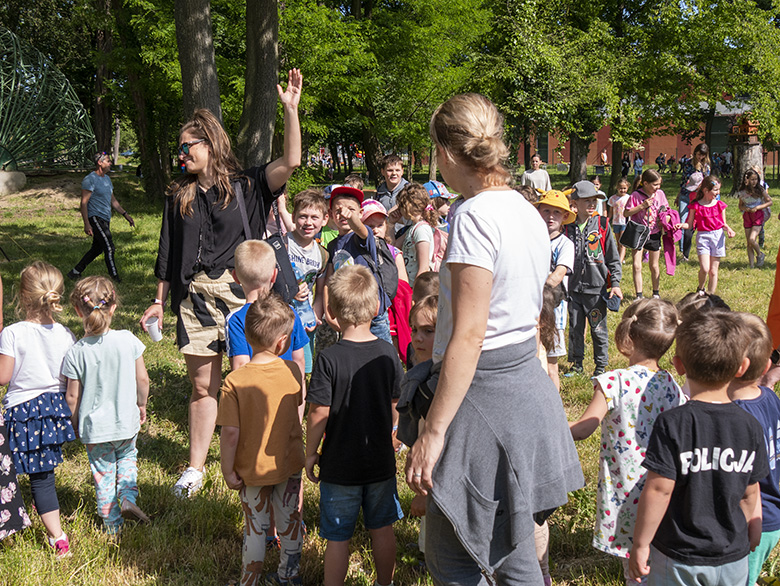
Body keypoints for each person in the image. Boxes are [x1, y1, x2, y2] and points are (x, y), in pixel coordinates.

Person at [404, 93, 583, 584]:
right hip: (524, 387)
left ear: (446, 151)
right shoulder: (523, 208)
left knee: (458, 555)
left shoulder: (474, 215)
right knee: (512, 547)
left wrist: (433, 433)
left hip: (482, 396)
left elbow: (470, 333)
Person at [139, 69, 302, 497]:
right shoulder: (179, 195)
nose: (181, 154)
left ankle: (249, 456)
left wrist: (290, 110)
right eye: (179, 148)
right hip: (194, 299)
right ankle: (196, 467)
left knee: (245, 382)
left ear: (209, 144)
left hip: (239, 296)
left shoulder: (249, 185)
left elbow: (292, 162)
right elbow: (167, 250)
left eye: (186, 146)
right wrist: (159, 301)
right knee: (201, 386)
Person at [628, 310, 767, 584]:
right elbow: (751, 492)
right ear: (742, 367)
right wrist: (755, 527)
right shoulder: (750, 426)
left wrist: (641, 543)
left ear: (679, 365)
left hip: (678, 557)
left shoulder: (671, 423)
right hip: (733, 556)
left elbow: (658, 489)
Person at [569, 299, 684, 586]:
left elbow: (583, 429)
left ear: (629, 336)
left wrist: (550, 423)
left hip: (625, 490)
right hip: (663, 487)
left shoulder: (613, 382)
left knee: (633, 568)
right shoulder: (671, 383)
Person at [306, 265, 404, 586]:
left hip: (339, 466)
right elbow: (397, 404)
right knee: (382, 527)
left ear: (331, 310)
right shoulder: (389, 354)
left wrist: (310, 453)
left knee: (338, 537)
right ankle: (384, 583)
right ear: (377, 307)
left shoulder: (328, 358)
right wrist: (395, 436)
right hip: (380, 462)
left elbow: (319, 412)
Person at [217, 295, 305, 586]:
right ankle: (289, 576)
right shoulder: (293, 371)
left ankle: (249, 580)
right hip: (289, 462)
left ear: (246, 334)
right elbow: (298, 404)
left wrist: (227, 470)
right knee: (290, 520)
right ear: (283, 343)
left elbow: (230, 433)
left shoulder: (234, 382)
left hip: (251, 469)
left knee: (255, 526)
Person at [64, 276, 150, 534]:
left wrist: (73, 422)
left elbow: (71, 397)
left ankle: (113, 526)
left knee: (103, 476)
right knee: (127, 460)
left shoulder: (76, 351)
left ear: (78, 310)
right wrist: (141, 404)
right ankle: (127, 499)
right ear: (114, 307)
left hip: (95, 430)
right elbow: (143, 379)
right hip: (126, 422)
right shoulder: (128, 340)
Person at [0, 261, 76, 555]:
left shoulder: (13, 333)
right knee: (42, 476)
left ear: (21, 297)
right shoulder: (66, 334)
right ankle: (51, 528)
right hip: (53, 412)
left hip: (23, 413)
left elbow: (3, 377)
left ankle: (47, 531)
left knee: (24, 475)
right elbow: (69, 379)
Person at [727, 313, 780, 586]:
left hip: (750, 522)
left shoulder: (734, 417)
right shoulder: (771, 397)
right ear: (767, 364)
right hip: (772, 517)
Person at [563, 180, 623, 376]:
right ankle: (577, 364)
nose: (592, 205)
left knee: (598, 329)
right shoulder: (567, 228)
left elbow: (613, 258)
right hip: (573, 289)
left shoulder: (603, 225)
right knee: (575, 328)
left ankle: (600, 366)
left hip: (596, 290)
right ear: (575, 203)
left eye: (594, 201)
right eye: (586, 201)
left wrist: (615, 283)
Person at [323, 186, 394, 343]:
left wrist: (352, 219)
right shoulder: (333, 245)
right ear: (330, 215)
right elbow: (329, 280)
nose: (344, 214)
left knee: (383, 358)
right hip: (348, 313)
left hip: (373, 316)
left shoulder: (363, 238)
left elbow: (360, 229)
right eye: (338, 210)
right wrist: (328, 312)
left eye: (351, 209)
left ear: (361, 214)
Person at [67, 152, 135, 283]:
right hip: (95, 218)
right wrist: (86, 223)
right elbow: (84, 203)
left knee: (97, 249)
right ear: (100, 162)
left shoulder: (107, 180)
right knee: (109, 247)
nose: (110, 163)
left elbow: (113, 201)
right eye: (108, 161)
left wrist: (125, 214)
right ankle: (115, 277)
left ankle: (75, 272)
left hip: (105, 218)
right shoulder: (90, 179)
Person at [285, 188, 330, 374]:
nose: (308, 222)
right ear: (294, 216)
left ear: (325, 220)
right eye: (303, 216)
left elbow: (319, 292)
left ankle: (299, 401)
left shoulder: (322, 254)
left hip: (305, 320)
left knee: (301, 369)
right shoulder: (282, 245)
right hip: (280, 317)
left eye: (314, 217)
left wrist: (316, 314)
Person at [535, 188, 575, 390]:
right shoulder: (531, 240)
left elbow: (559, 274)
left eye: (556, 212)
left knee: (551, 365)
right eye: (546, 211)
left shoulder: (565, 244)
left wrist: (537, 293)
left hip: (553, 309)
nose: (551, 217)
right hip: (529, 309)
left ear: (565, 216)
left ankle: (554, 412)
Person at [674, 175, 735, 295]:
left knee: (713, 271)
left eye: (718, 190)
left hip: (717, 237)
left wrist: (729, 229)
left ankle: (711, 296)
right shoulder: (695, 205)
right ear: (706, 190)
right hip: (703, 237)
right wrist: (681, 225)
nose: (717, 193)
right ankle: (700, 288)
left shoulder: (720, 205)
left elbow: (723, 223)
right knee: (705, 268)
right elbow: (689, 224)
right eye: (715, 190)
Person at [624, 169, 669, 299]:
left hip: (654, 232)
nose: (658, 187)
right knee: (637, 264)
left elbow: (665, 209)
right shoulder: (636, 196)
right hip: (638, 232)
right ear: (645, 183)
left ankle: (656, 293)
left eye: (659, 184)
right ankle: (639, 295)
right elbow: (626, 213)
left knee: (654, 265)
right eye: (655, 184)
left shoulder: (660, 194)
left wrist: (665, 220)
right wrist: (642, 206)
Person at [396, 183, 437, 286]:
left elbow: (423, 267)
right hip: (409, 285)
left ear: (407, 206)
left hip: (416, 287)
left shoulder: (421, 230)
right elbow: (395, 247)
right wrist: (391, 223)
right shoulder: (413, 228)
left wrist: (416, 292)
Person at [676, 143, 711, 261]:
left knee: (693, 223)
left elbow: (708, 183)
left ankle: (688, 249)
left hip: (697, 197)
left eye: (703, 155)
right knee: (682, 220)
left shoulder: (706, 167)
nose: (700, 157)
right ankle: (683, 250)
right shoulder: (688, 163)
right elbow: (683, 180)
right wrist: (678, 195)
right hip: (685, 195)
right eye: (699, 154)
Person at [738, 169, 772, 268]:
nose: (754, 182)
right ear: (746, 180)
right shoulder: (742, 192)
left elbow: (769, 202)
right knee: (749, 243)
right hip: (747, 216)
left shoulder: (760, 190)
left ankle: (760, 254)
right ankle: (751, 265)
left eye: (756, 179)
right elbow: (740, 206)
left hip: (758, 215)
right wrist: (746, 208)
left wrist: (757, 207)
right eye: (752, 179)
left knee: (752, 239)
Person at [608, 178, 631, 263]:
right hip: (615, 222)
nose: (622, 190)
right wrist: (608, 219)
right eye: (620, 188)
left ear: (627, 188)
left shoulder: (628, 198)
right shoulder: (612, 198)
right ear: (617, 188)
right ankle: (619, 257)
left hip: (625, 222)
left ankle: (619, 261)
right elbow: (611, 211)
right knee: (618, 242)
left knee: (622, 243)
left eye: (624, 188)